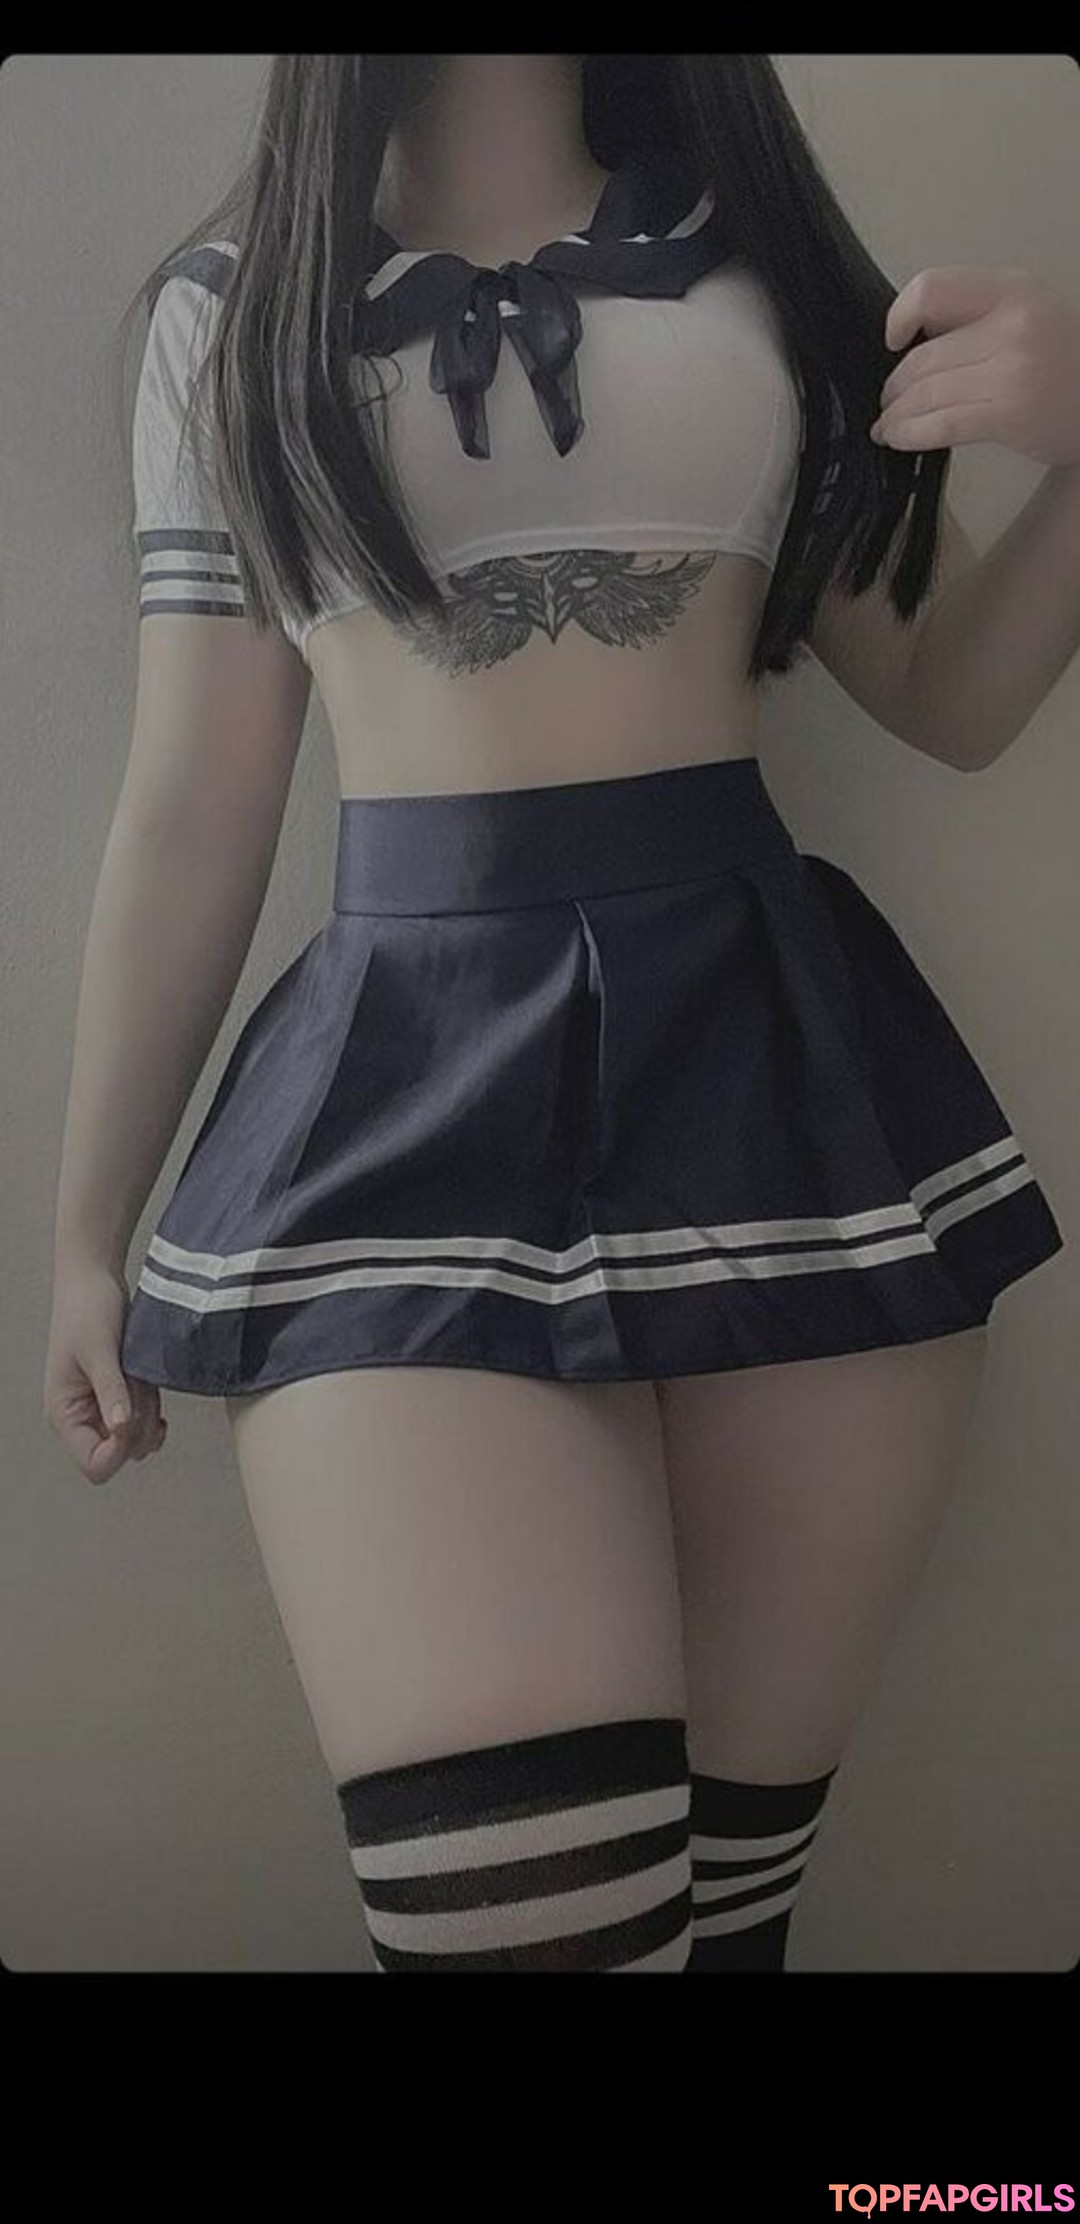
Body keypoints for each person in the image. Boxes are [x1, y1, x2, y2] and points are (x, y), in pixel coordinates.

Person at [44, 56, 1075, 1974]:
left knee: (729, 1926)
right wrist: (83, 1234)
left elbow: (947, 689)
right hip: (400, 1105)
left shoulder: (769, 269)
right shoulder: (234, 313)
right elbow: (193, 805)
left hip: (784, 1098)